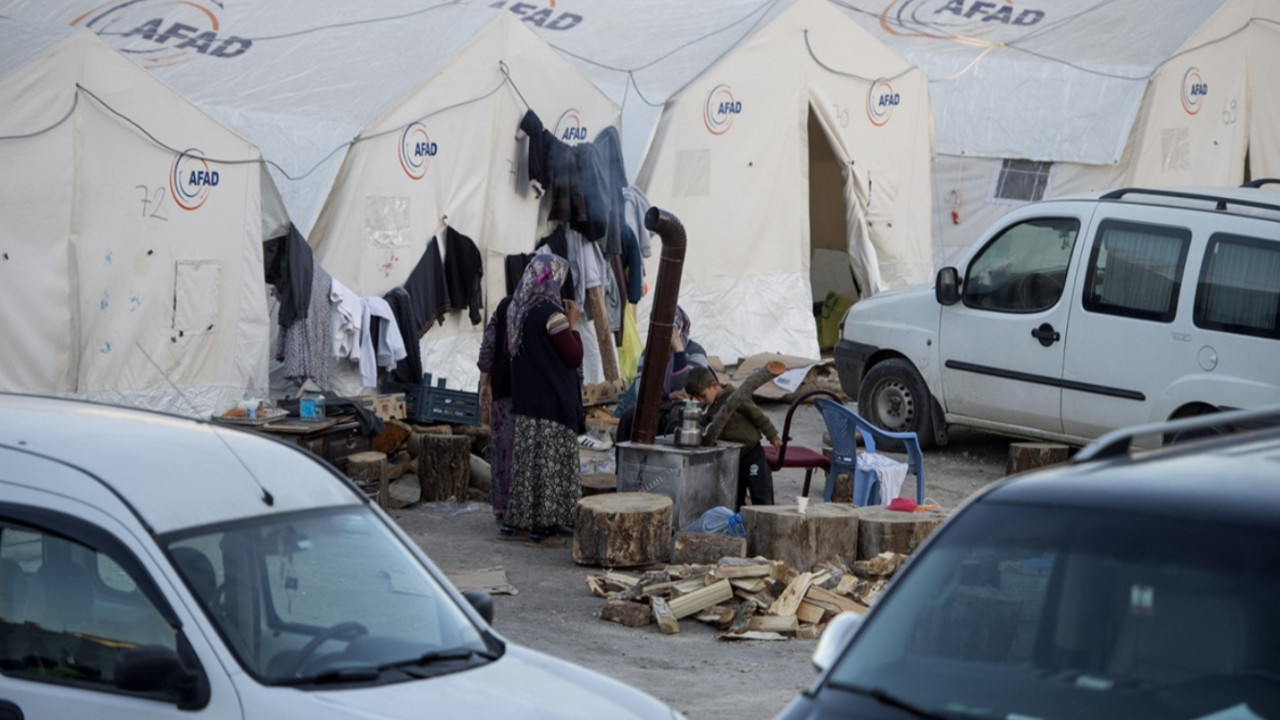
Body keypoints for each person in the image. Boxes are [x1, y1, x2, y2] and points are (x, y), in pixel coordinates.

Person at [505, 254, 585, 545]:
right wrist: (573, 323)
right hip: (552, 402)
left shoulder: (518, 312)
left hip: (527, 402)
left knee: (530, 467)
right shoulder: (553, 315)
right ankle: (547, 530)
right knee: (550, 467)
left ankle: (524, 524)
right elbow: (573, 355)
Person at [684, 366, 781, 511]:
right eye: (698, 399)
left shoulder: (736, 397)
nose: (702, 401)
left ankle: (765, 520)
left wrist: (772, 435)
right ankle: (738, 525)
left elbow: (758, 415)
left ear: (714, 385)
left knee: (760, 491)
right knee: (735, 495)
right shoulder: (710, 409)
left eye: (703, 396)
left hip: (751, 452)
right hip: (732, 458)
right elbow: (705, 424)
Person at [477, 294, 513, 524]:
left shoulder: (505, 305)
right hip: (526, 392)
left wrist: (485, 382)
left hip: (502, 388)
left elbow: (488, 348)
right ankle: (521, 508)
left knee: (502, 449)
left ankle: (502, 506)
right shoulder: (542, 307)